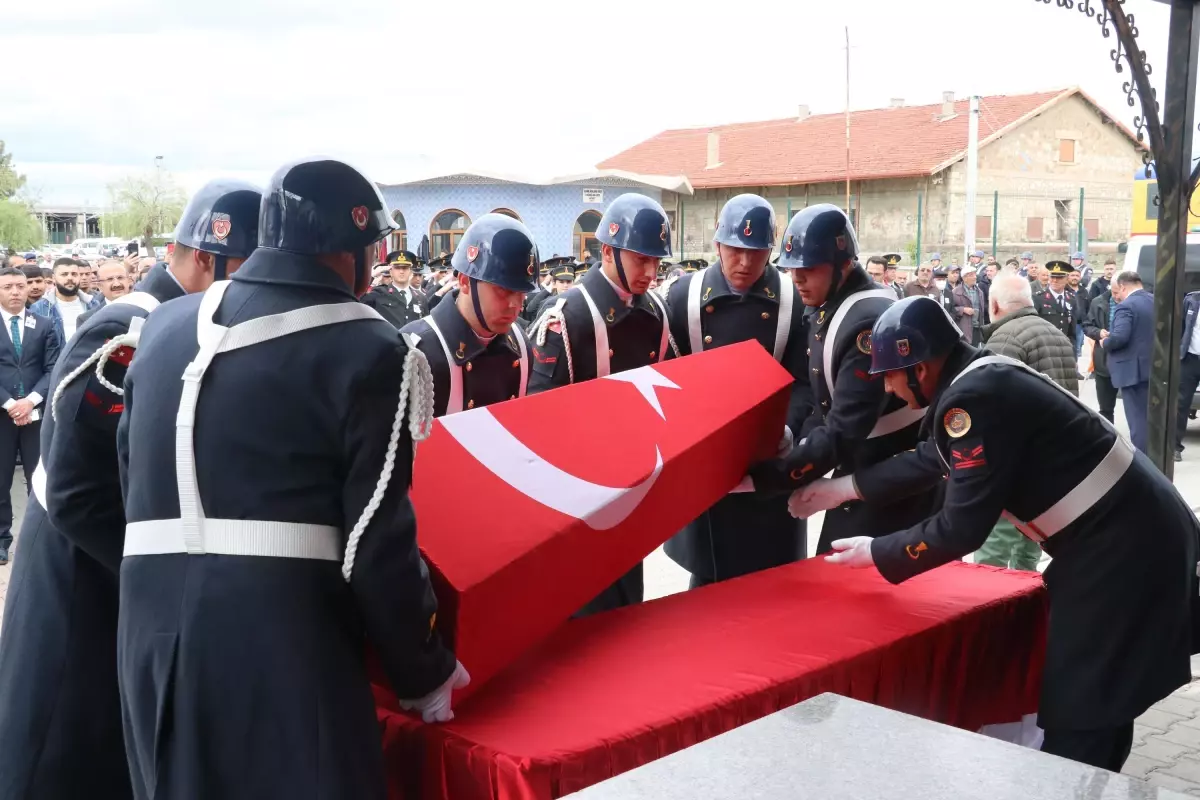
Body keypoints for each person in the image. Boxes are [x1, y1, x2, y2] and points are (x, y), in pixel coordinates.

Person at [115, 158, 465, 799]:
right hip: (283, 648)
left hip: (150, 640)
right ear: (358, 251)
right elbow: (374, 543)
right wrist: (423, 670)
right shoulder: (369, 347)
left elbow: (130, 479)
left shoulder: (163, 327)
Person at [801, 295, 1198, 774]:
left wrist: (878, 551)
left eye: (889, 374)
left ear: (920, 367)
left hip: (1121, 548)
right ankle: (1095, 779)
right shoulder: (981, 374)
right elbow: (934, 458)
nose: (888, 388)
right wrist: (843, 489)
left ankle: (1069, 782)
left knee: (1081, 697)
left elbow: (961, 528)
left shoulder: (971, 399)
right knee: (1103, 686)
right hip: (1127, 535)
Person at [0, 179, 261, 800]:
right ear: (207, 259)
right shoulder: (131, 329)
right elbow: (73, 490)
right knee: (57, 755)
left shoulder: (187, 327)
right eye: (251, 272)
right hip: (79, 585)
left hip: (117, 585)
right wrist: (157, 573)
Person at [746, 204, 934, 555]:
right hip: (867, 462)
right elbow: (824, 400)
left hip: (890, 477)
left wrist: (766, 477)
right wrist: (790, 440)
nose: (797, 279)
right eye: (792, 270)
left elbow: (844, 428)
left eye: (809, 269)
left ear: (844, 264)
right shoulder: (831, 304)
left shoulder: (866, 321)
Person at [529, 192, 673, 614]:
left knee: (627, 612)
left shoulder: (654, 314)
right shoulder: (566, 316)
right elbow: (536, 420)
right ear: (607, 252)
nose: (650, 272)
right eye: (640, 259)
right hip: (576, 500)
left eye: (656, 261)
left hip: (631, 494)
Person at [662, 194, 810, 588]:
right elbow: (665, 379)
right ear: (717, 245)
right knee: (707, 585)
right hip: (706, 465)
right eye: (735, 250)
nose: (745, 263)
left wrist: (787, 432)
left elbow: (805, 383)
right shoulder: (683, 297)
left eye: (756, 252)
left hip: (770, 462)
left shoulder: (793, 301)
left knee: (771, 585)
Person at [973, 274, 1077, 571]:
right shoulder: (1055, 333)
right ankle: (1027, 602)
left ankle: (989, 606)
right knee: (1031, 541)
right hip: (1053, 458)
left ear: (994, 304)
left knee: (995, 545)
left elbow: (995, 409)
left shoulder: (1006, 337)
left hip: (1018, 462)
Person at [402, 214, 536, 416]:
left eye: (522, 293)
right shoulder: (416, 351)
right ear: (465, 281)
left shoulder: (521, 344)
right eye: (503, 290)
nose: (514, 304)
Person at [0, 267, 57, 565]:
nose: (15, 292)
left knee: (39, 477)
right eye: (8, 286)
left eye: (20, 286)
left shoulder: (44, 323)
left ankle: (38, 539)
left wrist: (31, 400)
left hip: (36, 412)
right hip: (2, 415)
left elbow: (52, 367)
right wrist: (10, 403)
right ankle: (1, 539)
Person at [1103, 271, 1154, 453]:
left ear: (1123, 286)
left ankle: (1142, 463)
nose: (1117, 296)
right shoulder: (1155, 301)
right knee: (1151, 421)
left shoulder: (1126, 306)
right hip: (1154, 370)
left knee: (1138, 421)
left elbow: (1119, 338)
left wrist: (1105, 342)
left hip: (1133, 373)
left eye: (1117, 291)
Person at [29, 258, 101, 345]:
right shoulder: (40, 308)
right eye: (64, 274)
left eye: (74, 274)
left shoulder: (93, 304)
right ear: (54, 278)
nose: (70, 278)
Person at [359, 250, 427, 328]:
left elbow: (425, 325)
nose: (401, 271)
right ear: (391, 272)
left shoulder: (421, 298)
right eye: (397, 268)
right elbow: (358, 301)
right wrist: (372, 276)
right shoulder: (380, 293)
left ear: (411, 272)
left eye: (405, 268)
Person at [1084, 281, 1118, 424]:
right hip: (1103, 359)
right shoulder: (1098, 302)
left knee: (1134, 407)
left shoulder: (1132, 303)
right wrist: (1098, 333)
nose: (1117, 296)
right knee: (1105, 408)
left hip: (1127, 360)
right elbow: (1087, 325)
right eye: (1115, 292)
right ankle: (1110, 438)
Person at [1031, 260, 1076, 339]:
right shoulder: (1038, 298)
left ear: (1067, 279)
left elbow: (1072, 330)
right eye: (1052, 276)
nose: (1055, 280)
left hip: (1065, 346)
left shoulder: (1071, 299)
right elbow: (1033, 327)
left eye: (1059, 277)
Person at [950, 264, 986, 345]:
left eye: (975, 274)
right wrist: (963, 310)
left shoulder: (979, 292)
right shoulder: (955, 292)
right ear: (964, 278)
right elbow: (950, 310)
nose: (975, 277)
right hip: (963, 330)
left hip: (977, 329)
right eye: (971, 275)